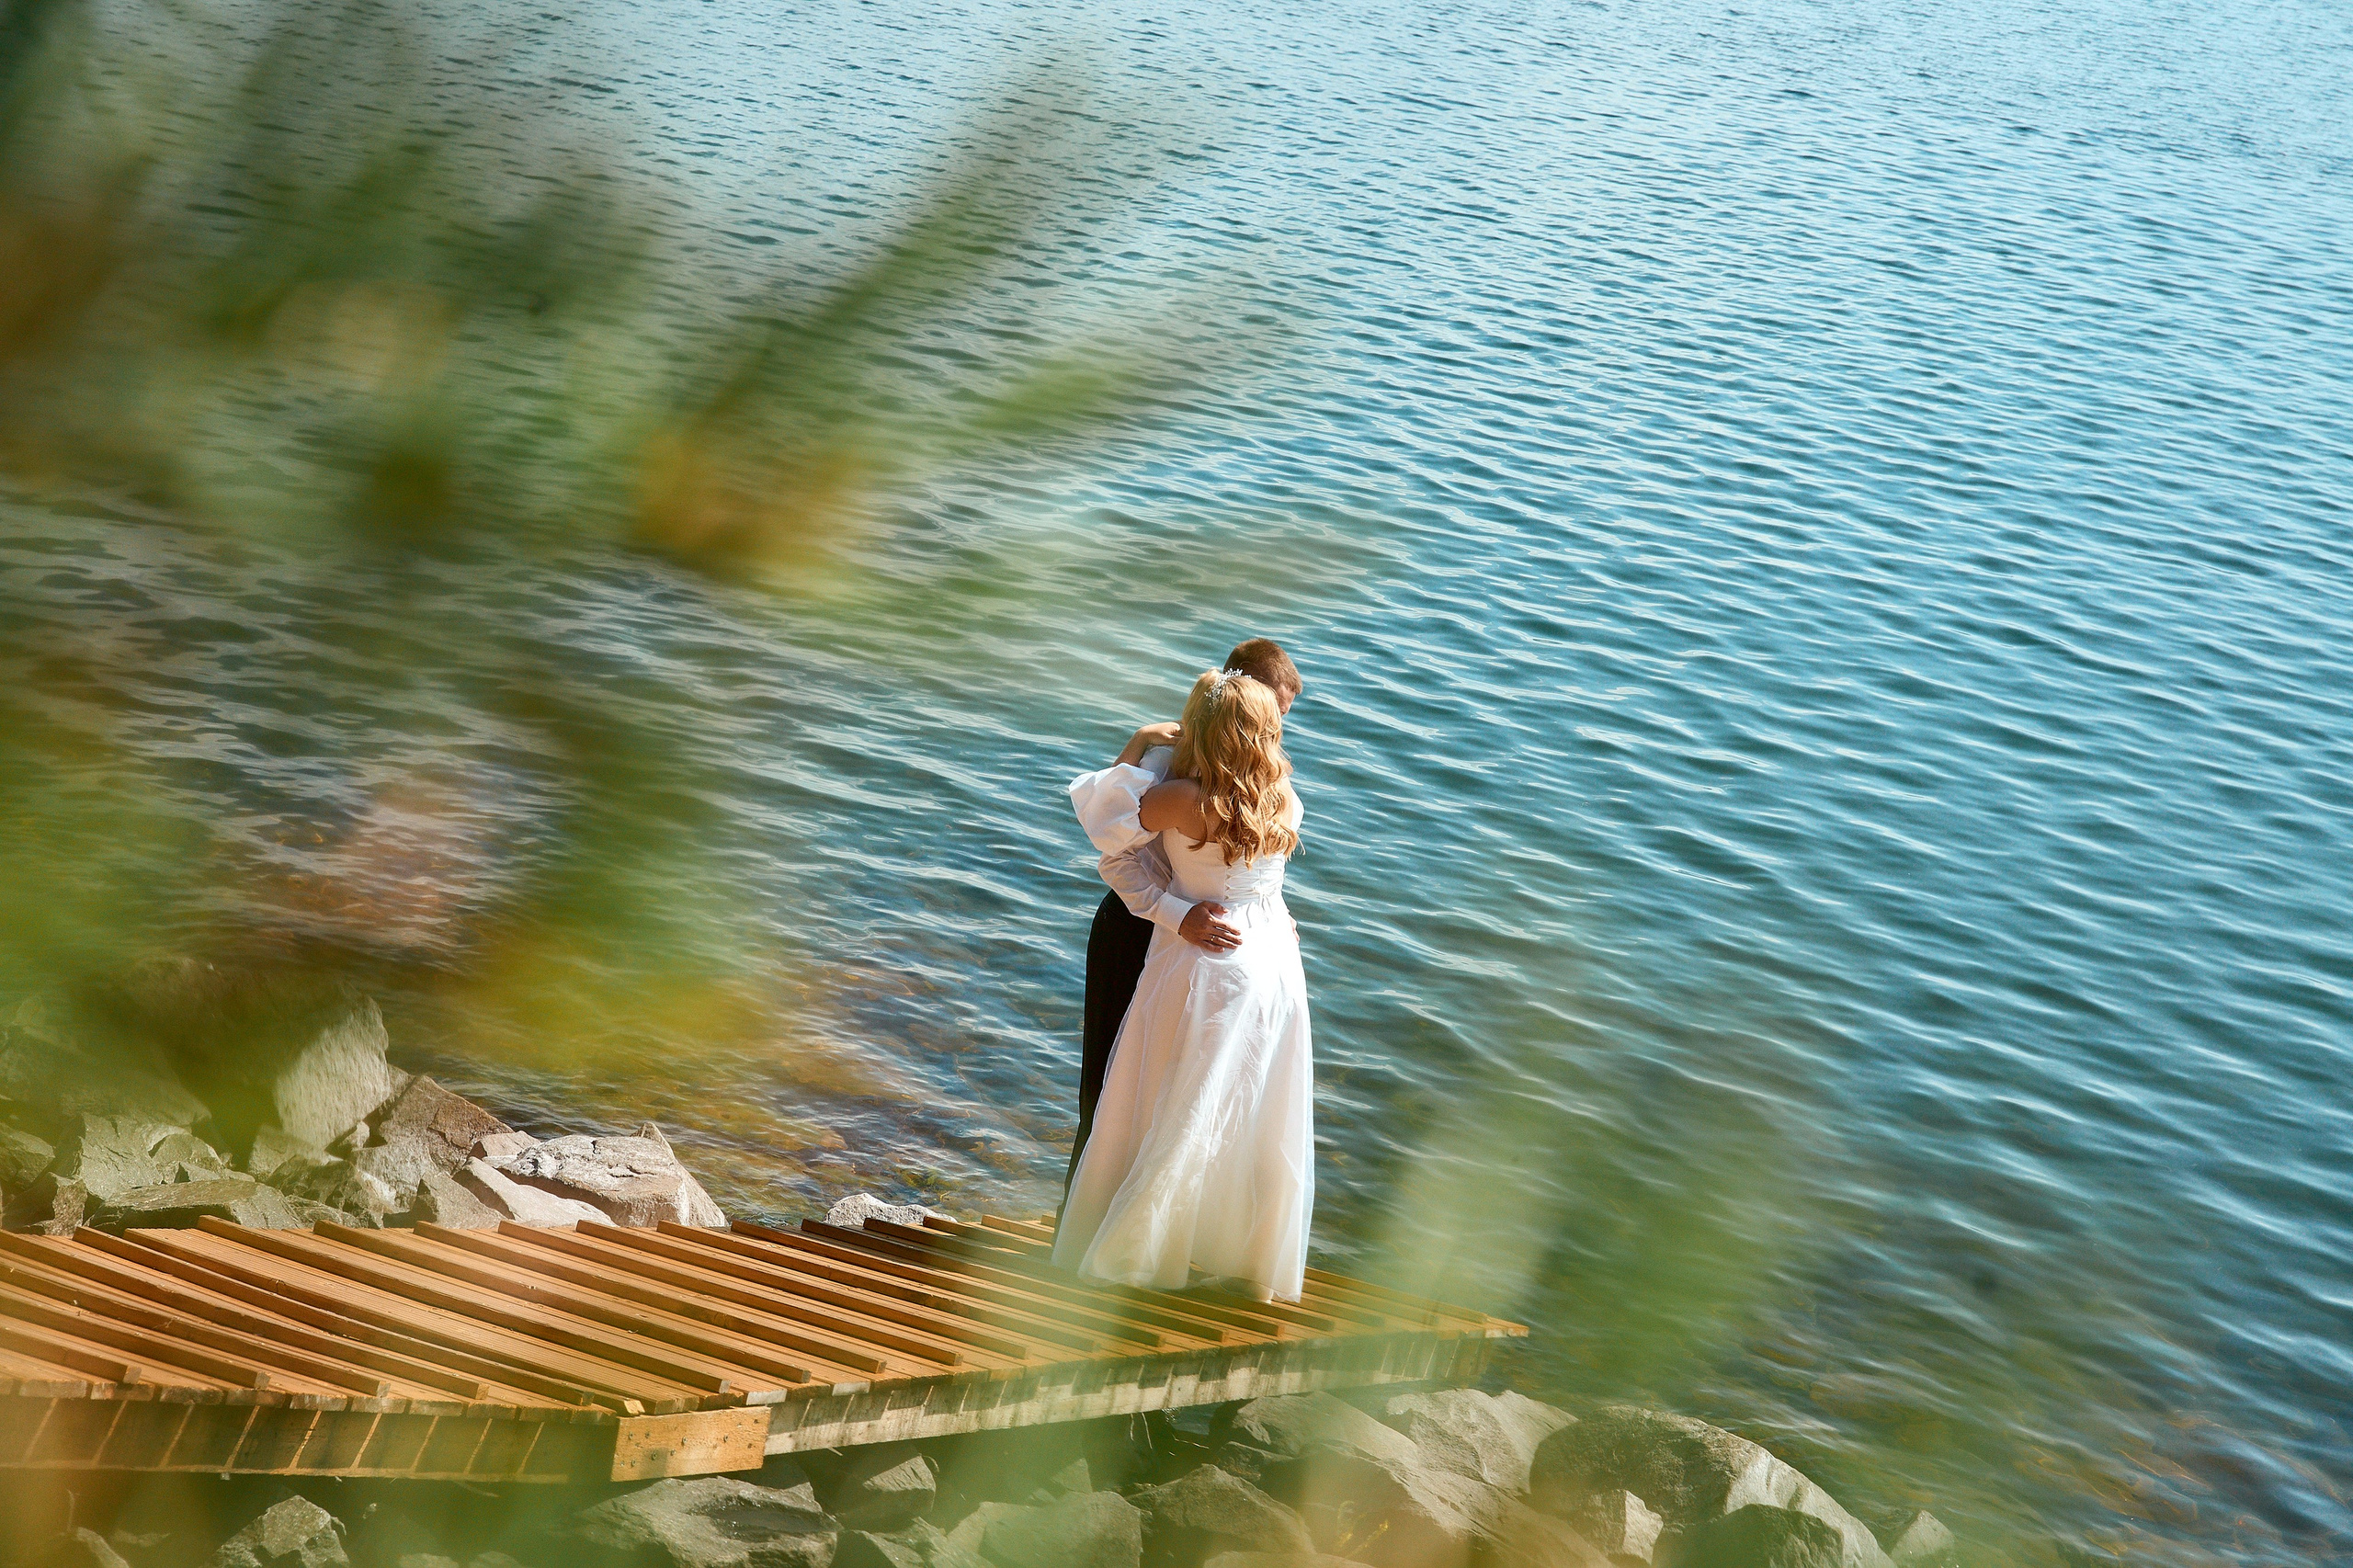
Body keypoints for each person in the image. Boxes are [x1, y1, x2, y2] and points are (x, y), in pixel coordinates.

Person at [1054, 660, 1313, 1301]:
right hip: (1274, 964)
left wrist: (1143, 743)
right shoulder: (1281, 794)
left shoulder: (1183, 799)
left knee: (1165, 1109)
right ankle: (1241, 1260)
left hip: (1201, 966)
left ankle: (1133, 1257)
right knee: (1251, 1111)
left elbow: (1103, 828)